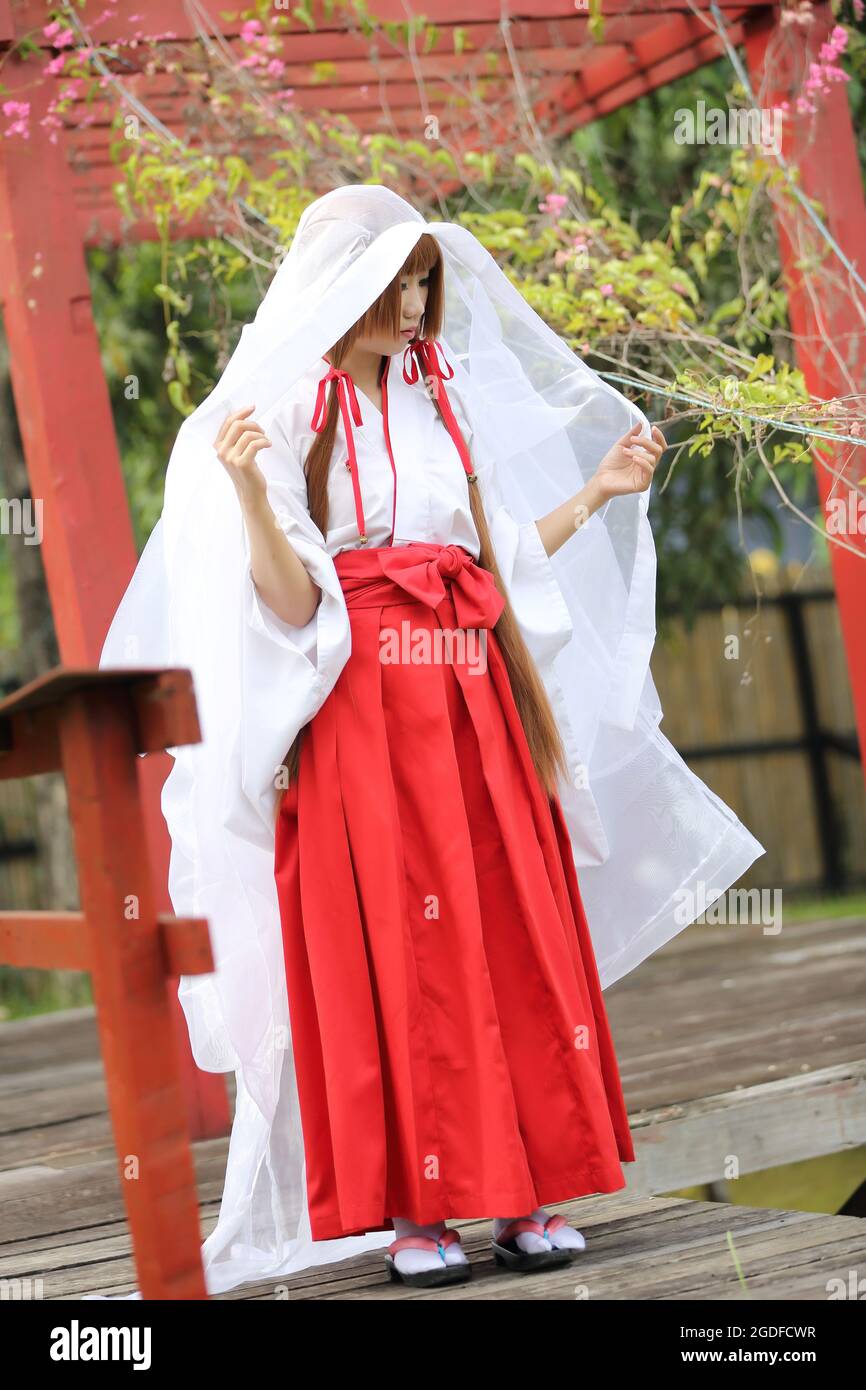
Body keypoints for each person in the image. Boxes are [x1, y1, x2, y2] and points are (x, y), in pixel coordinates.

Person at [100, 184, 765, 1296]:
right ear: (339, 287)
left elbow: (493, 563)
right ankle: (415, 1205)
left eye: (421, 281)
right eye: (394, 282)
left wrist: (597, 493)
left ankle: (525, 1186)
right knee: (390, 951)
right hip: (360, 716)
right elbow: (286, 604)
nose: (413, 304)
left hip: (470, 701)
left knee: (505, 927)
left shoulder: (435, 400)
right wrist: (252, 495)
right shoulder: (292, 414)